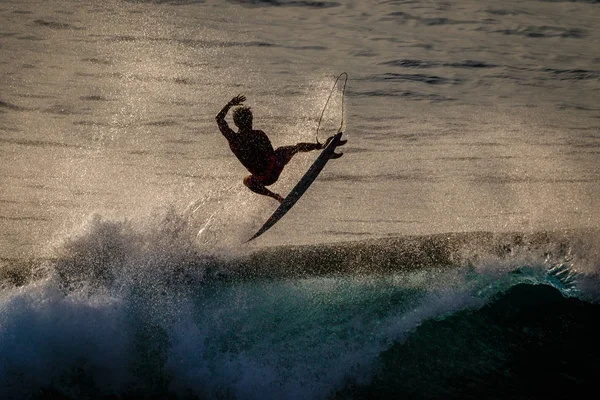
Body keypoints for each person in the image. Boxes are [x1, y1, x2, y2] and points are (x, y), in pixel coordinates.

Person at [216, 94, 345, 203]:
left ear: (236, 123)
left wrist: (230, 104)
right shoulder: (258, 134)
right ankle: (321, 146)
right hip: (274, 167)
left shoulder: (233, 139)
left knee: (246, 180)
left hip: (263, 180)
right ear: (251, 120)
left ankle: (275, 196)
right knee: (290, 149)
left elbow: (219, 118)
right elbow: (271, 153)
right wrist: (285, 156)